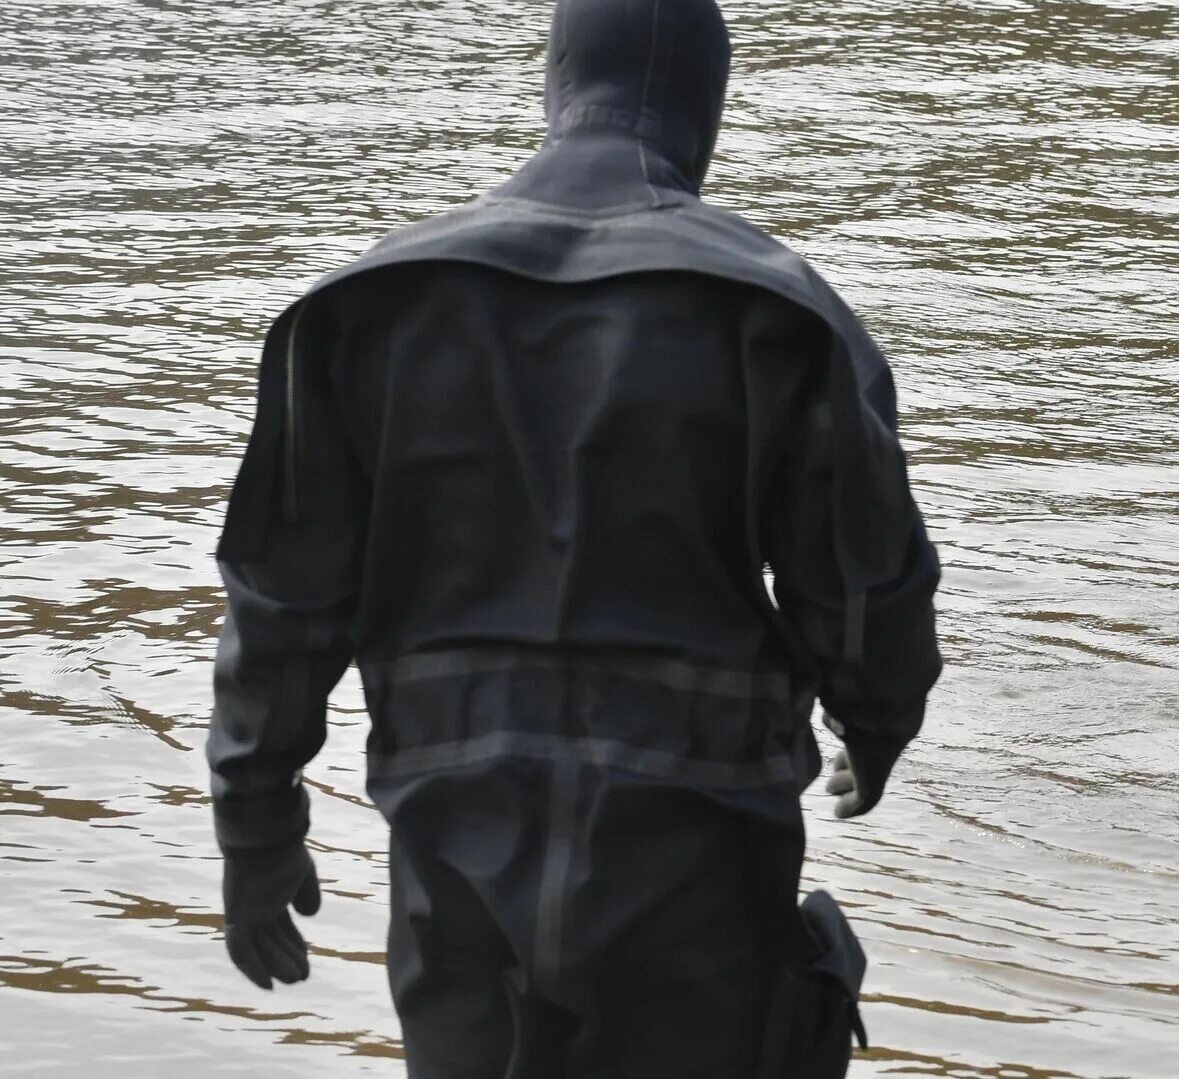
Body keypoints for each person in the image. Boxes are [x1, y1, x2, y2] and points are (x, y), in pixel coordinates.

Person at [204, 1, 942, 1075]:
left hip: (456, 834)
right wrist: (875, 724)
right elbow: (868, 589)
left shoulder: (365, 306)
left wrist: (255, 820)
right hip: (698, 851)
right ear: (709, 108)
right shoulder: (779, 312)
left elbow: (282, 599)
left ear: (554, 86)